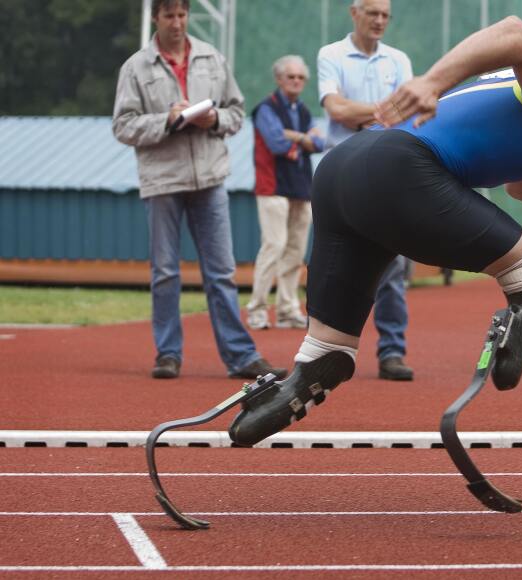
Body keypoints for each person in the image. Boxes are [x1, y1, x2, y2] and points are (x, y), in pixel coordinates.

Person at [226, 16, 522, 447]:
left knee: (330, 353)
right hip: (397, 168)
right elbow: (516, 33)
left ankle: (282, 394)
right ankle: (518, 302)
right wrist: (430, 81)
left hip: (343, 172)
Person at [112, 0, 286, 381]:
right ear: (155, 17)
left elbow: (237, 113)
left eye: (182, 15)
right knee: (165, 273)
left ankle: (241, 357)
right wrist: (168, 120)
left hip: (210, 179)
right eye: (169, 15)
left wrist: (214, 119)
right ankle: (168, 354)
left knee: (222, 272)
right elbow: (123, 126)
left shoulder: (212, 58)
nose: (177, 22)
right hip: (162, 181)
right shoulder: (136, 67)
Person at [316, 0, 415, 381]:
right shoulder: (332, 54)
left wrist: (370, 112)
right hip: (339, 172)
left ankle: (392, 351)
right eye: (372, 13)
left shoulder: (398, 59)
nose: (379, 21)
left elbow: (407, 110)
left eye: (386, 15)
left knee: (392, 266)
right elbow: (336, 110)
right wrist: (384, 111)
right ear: (354, 13)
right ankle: (327, 352)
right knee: (332, 262)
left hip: (386, 172)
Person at [247, 55, 324, 331]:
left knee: (295, 251)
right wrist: (303, 137)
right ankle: (256, 309)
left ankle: (287, 309)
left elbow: (320, 142)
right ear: (279, 79)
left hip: (301, 187)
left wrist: (297, 137)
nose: (296, 81)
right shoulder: (265, 108)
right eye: (290, 76)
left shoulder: (302, 110)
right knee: (274, 246)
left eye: (301, 77)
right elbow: (277, 143)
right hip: (273, 187)